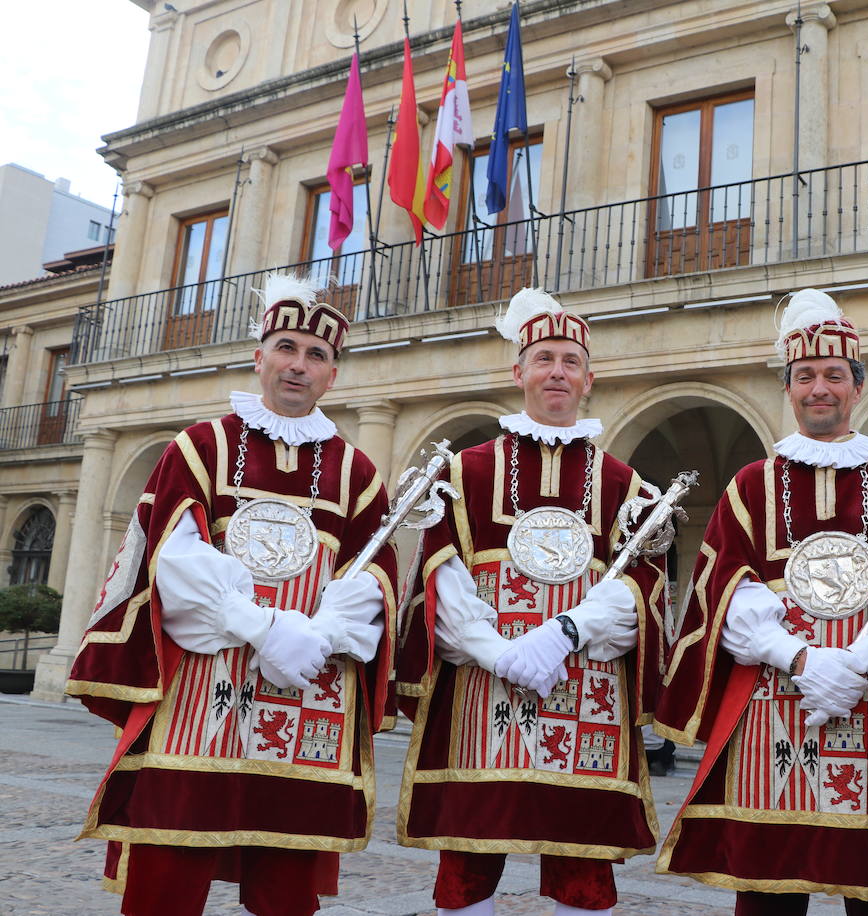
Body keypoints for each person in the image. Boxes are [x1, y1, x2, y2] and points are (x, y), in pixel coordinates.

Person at [67, 274, 399, 916]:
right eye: (286, 347)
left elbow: (369, 575)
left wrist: (318, 637)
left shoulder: (357, 471)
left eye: (317, 355)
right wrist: (263, 627)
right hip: (200, 689)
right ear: (259, 355)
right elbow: (176, 559)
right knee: (168, 866)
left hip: (309, 694)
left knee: (285, 885)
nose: (298, 365)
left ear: (333, 375)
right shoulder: (201, 446)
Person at [654, 289, 868, 914]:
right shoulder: (751, 485)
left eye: (834, 375)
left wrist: (858, 664)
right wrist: (804, 661)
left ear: (857, 387)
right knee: (770, 890)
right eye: (805, 375)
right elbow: (725, 589)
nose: (820, 388)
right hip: (778, 702)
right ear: (788, 387)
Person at [394, 288, 668, 916]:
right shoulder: (464, 472)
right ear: (517, 372)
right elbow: (441, 577)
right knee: (468, 858)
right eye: (544, 358)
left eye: (571, 361)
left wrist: (560, 635)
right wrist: (498, 652)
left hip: (586, 696)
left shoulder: (628, 485)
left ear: (590, 378)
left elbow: (639, 597)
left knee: (583, 869)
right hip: (481, 693)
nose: (557, 372)